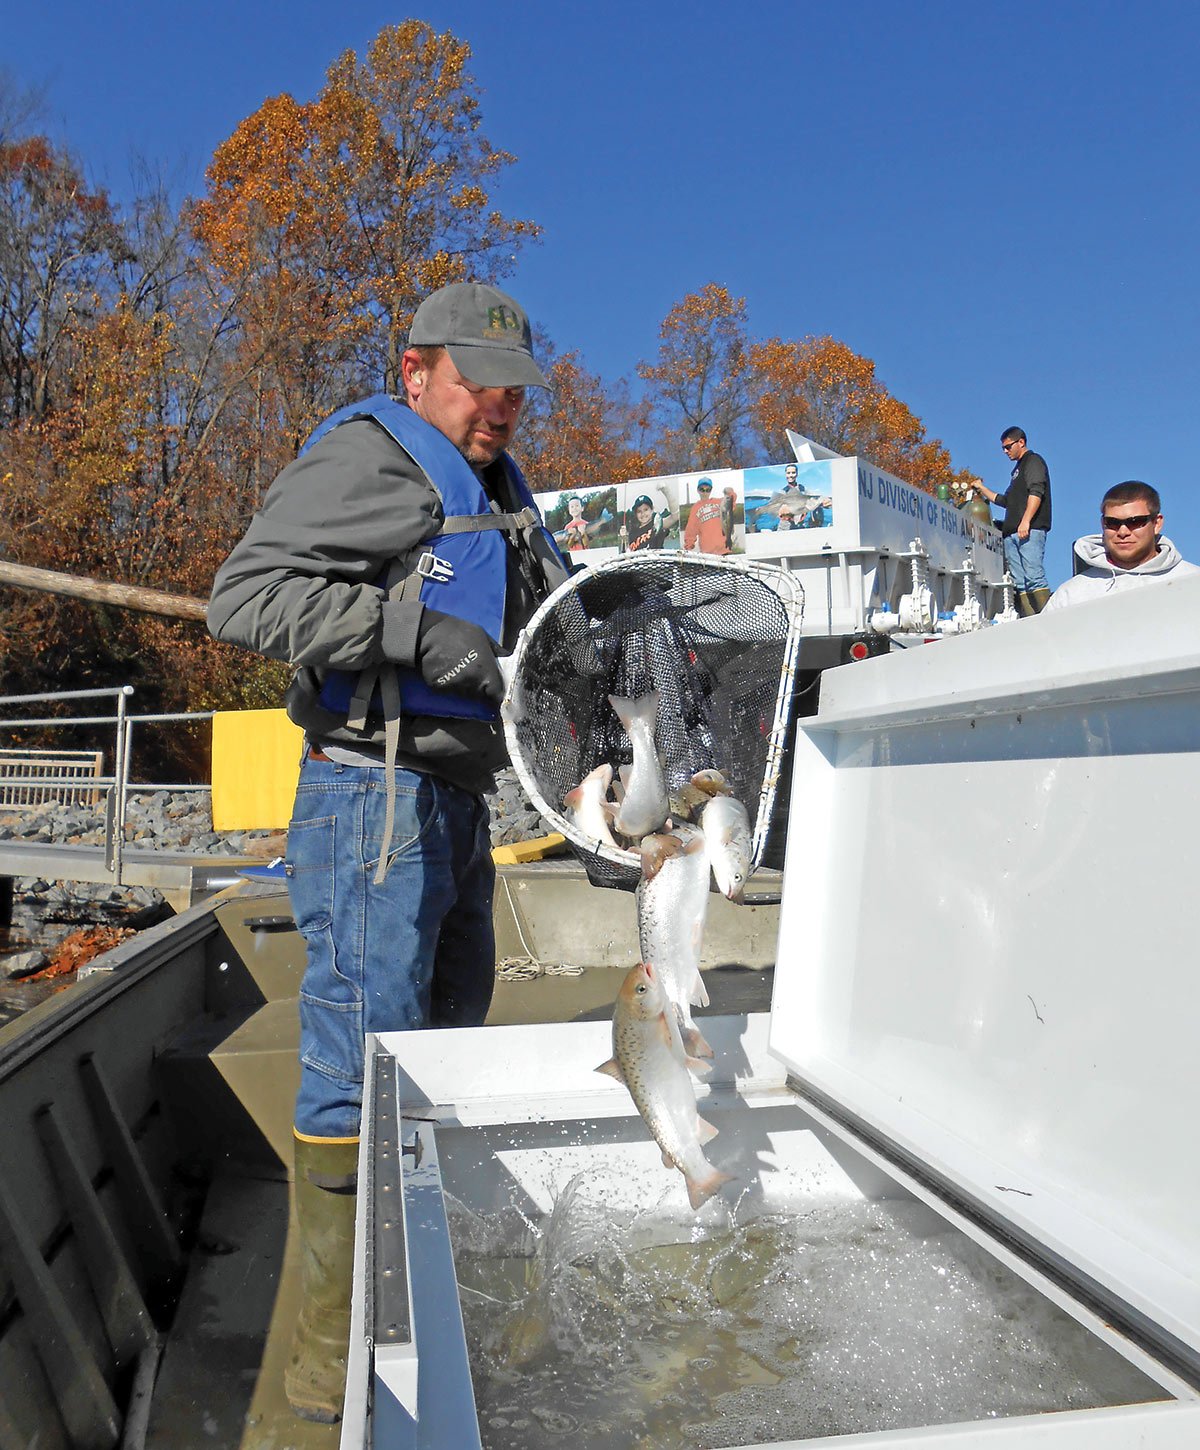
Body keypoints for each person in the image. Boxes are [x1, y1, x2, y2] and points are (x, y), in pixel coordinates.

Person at [207, 280, 568, 1423]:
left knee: (442, 1048)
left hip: (458, 808)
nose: (499, 407)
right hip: (370, 798)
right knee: (360, 1054)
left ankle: (414, 1288)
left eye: (513, 389)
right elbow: (243, 597)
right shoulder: (375, 458)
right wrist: (412, 633)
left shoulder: (505, 488)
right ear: (416, 372)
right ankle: (330, 1349)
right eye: (476, 382)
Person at [1043, 482, 1198, 612]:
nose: (1123, 532)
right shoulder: (1071, 595)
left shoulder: (1192, 582)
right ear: (1103, 524)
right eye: (1113, 523)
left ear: (1157, 523)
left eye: (1135, 521)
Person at [970, 427, 1052, 614]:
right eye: (1003, 448)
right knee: (1020, 582)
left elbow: (1036, 491)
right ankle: (1031, 622)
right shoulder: (1016, 471)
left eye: (1008, 447)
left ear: (1021, 442)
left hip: (1028, 530)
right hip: (1012, 534)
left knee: (1034, 577)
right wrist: (982, 488)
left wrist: (1026, 521)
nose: (1005, 451)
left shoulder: (1033, 461)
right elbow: (1004, 501)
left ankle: (1049, 618)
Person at [683, 477, 731, 555]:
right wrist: (688, 546)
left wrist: (730, 492)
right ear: (698, 490)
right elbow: (691, 530)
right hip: (707, 554)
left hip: (724, 551)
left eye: (708, 490)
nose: (705, 493)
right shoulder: (695, 508)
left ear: (711, 490)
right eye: (702, 490)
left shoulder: (719, 502)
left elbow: (732, 502)